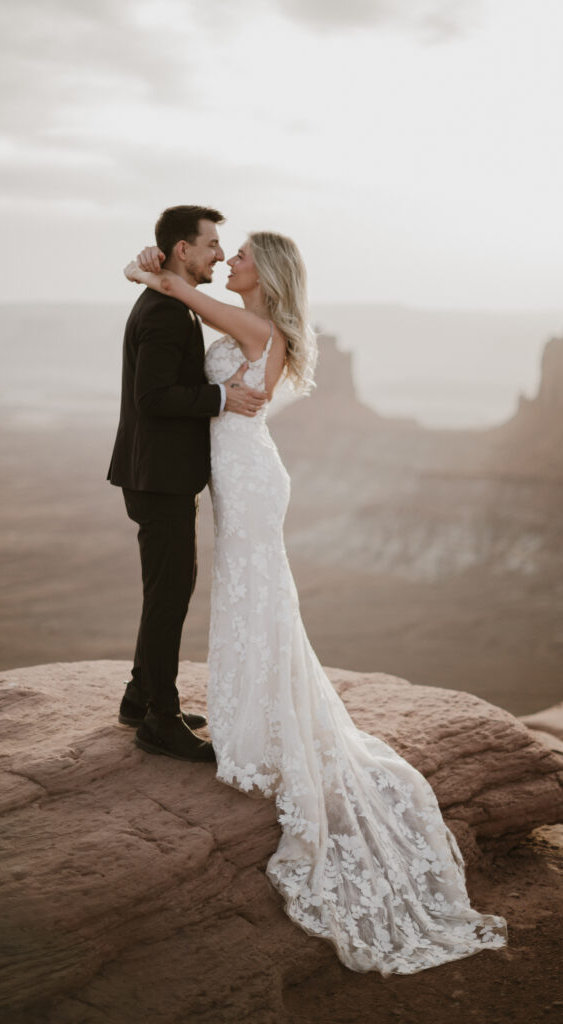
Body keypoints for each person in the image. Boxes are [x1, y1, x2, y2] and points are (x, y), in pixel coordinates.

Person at [123, 231, 508, 975]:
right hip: (239, 471)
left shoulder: (258, 325)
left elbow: (176, 292)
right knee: (250, 594)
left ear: (263, 275)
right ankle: (252, 714)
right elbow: (175, 300)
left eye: (237, 258)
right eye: (221, 253)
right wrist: (153, 272)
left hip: (249, 476)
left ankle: (258, 725)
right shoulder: (247, 320)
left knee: (252, 592)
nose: (227, 262)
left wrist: (156, 271)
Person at [108, 205, 267, 763]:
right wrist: (222, 398)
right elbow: (152, 398)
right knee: (170, 594)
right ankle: (160, 718)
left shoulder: (168, 301)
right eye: (211, 245)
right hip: (159, 478)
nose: (219, 254)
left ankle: (139, 696)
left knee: (165, 590)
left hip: (159, 475)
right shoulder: (166, 313)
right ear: (182, 250)